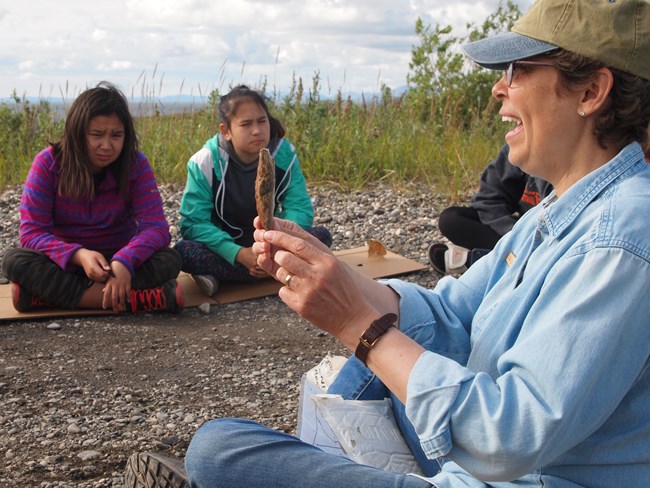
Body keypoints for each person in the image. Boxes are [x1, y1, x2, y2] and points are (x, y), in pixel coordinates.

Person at [128, 0, 650, 486]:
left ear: (590, 92)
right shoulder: (558, 210)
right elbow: (451, 314)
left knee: (218, 451)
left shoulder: (621, 235)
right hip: (478, 456)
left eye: (518, 70)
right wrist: (329, 272)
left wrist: (358, 325)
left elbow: (509, 437)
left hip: (510, 471)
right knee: (376, 354)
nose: (499, 89)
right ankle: (332, 458)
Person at [2, 82, 184, 314]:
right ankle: (138, 299)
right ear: (77, 132)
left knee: (171, 259)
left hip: (119, 261)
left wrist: (124, 261)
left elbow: (156, 227)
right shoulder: (48, 164)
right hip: (67, 263)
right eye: (96, 135)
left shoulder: (135, 163)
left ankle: (46, 298)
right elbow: (32, 233)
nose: (106, 146)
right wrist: (78, 255)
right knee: (15, 260)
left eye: (116, 135)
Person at [172, 85, 332, 297]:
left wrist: (278, 246)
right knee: (184, 251)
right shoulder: (205, 162)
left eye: (262, 121)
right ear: (226, 131)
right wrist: (238, 253)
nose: (256, 130)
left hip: (272, 242)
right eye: (246, 124)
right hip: (227, 246)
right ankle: (276, 272)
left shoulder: (284, 154)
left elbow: (298, 206)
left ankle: (226, 276)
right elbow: (194, 222)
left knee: (321, 236)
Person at [428, 144, 552, 274]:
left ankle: (478, 261)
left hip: (547, 243)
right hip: (520, 234)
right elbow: (488, 199)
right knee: (451, 220)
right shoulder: (518, 146)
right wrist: (513, 232)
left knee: (548, 252)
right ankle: (506, 261)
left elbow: (556, 227)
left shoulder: (561, 158)